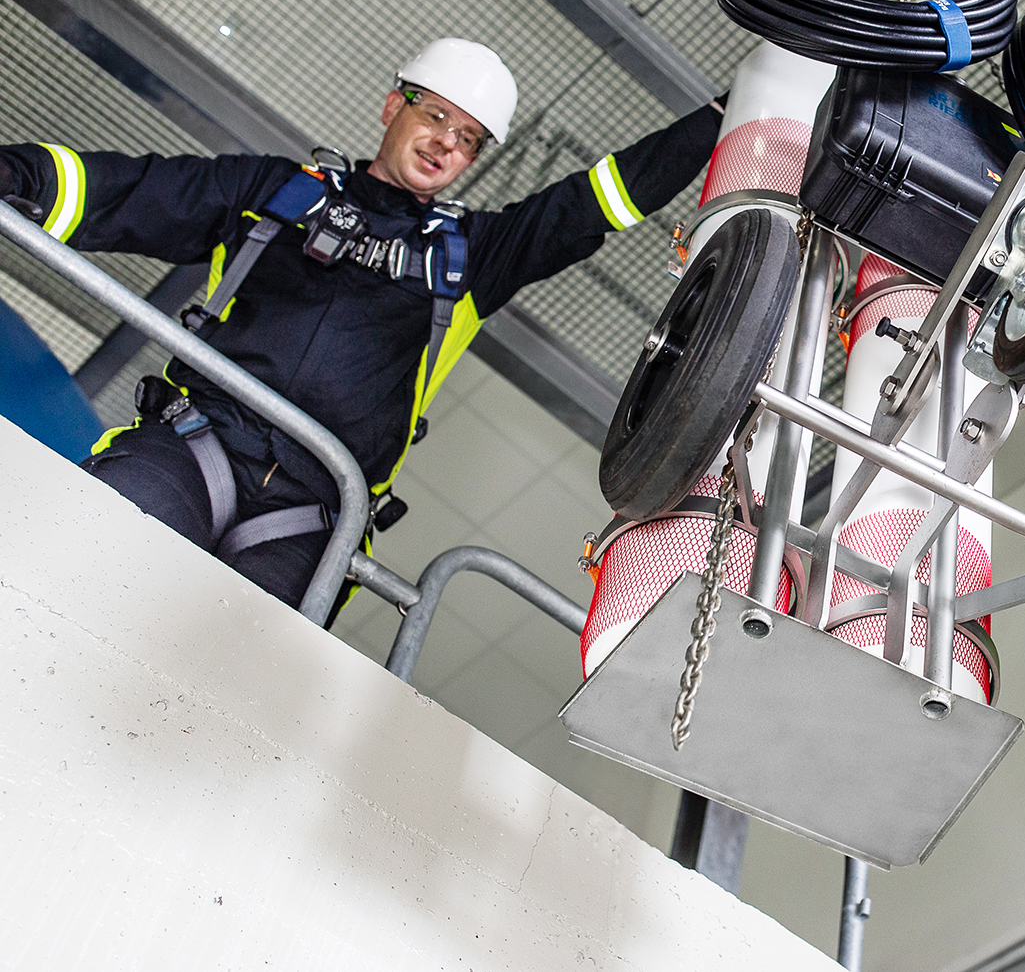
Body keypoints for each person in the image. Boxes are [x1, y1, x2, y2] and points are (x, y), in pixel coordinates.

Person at [0, 38, 719, 619]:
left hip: (311, 513)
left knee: (221, 675)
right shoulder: (276, 194)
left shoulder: (472, 257)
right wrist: (19, 176)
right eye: (435, 116)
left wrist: (730, 114)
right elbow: (131, 190)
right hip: (194, 445)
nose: (445, 144)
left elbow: (599, 199)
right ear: (391, 106)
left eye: (467, 139)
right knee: (84, 570)